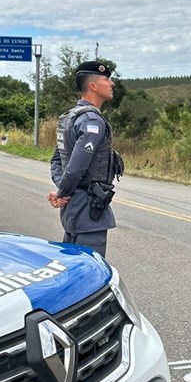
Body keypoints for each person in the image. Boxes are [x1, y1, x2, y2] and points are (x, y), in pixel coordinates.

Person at [48, 60, 124, 258]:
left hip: (74, 207)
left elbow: (57, 161)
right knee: (88, 273)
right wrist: (62, 193)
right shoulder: (92, 121)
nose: (111, 83)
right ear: (93, 86)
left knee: (71, 268)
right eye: (107, 79)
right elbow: (75, 167)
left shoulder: (69, 118)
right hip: (88, 211)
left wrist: (62, 192)